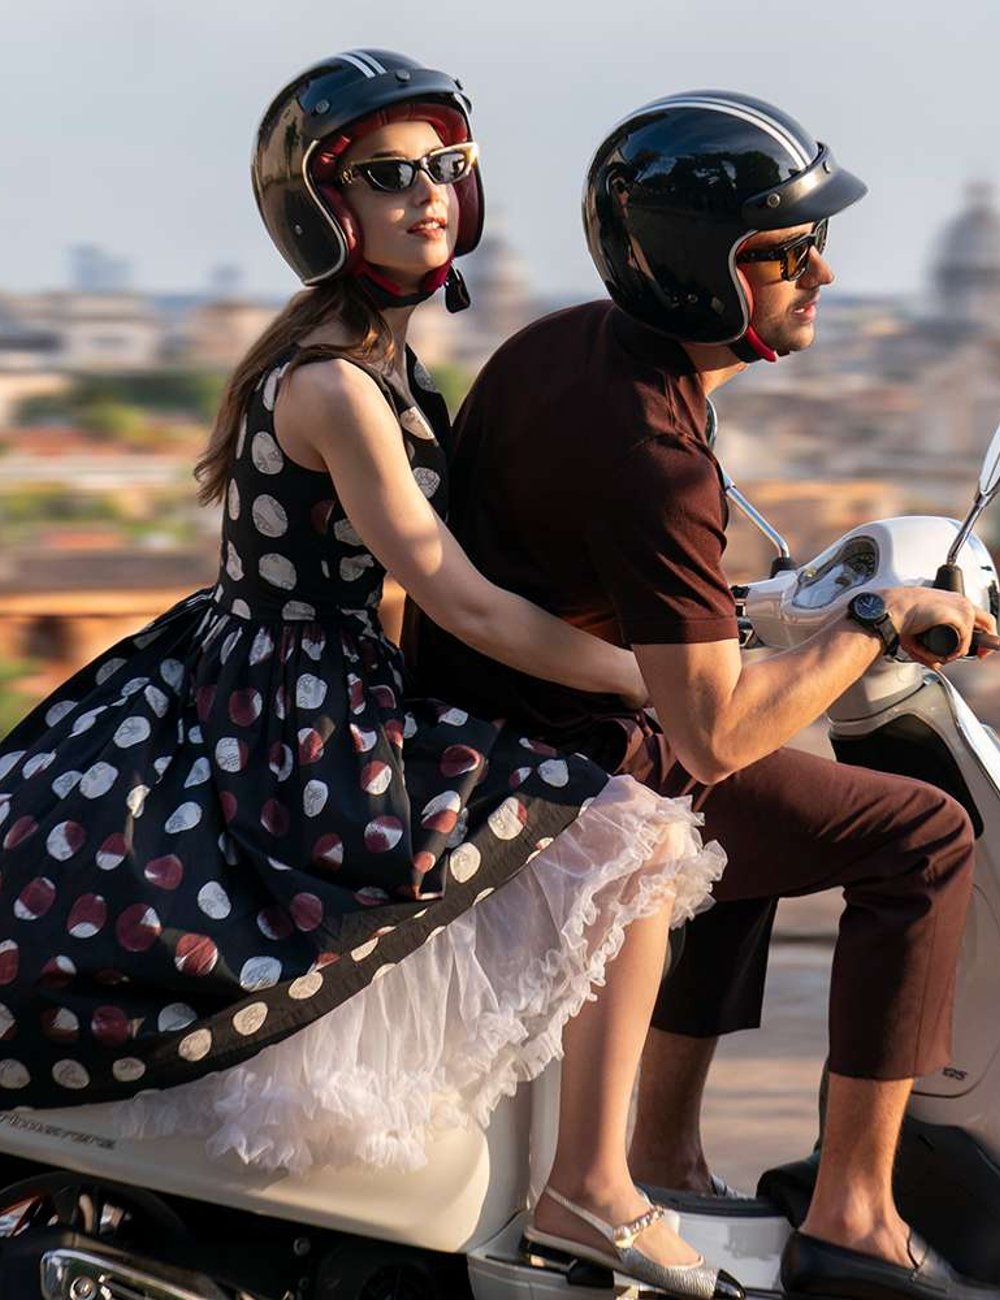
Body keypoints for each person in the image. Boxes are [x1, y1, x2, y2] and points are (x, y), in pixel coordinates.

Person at [0, 52, 746, 1300]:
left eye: (448, 169)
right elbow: (452, 592)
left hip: (290, 683)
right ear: (324, 207)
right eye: (390, 178)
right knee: (633, 835)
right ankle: (594, 1188)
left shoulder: (382, 368)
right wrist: (643, 677)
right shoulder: (339, 386)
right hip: (301, 709)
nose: (431, 198)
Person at [406, 92, 1000, 1300]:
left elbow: (603, 585)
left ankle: (663, 1149)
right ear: (698, 272)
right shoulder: (656, 457)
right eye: (786, 252)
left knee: (759, 805)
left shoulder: (566, 348)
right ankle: (854, 1208)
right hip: (563, 773)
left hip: (491, 731)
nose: (822, 271)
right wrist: (877, 623)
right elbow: (712, 725)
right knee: (920, 834)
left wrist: (770, 617)